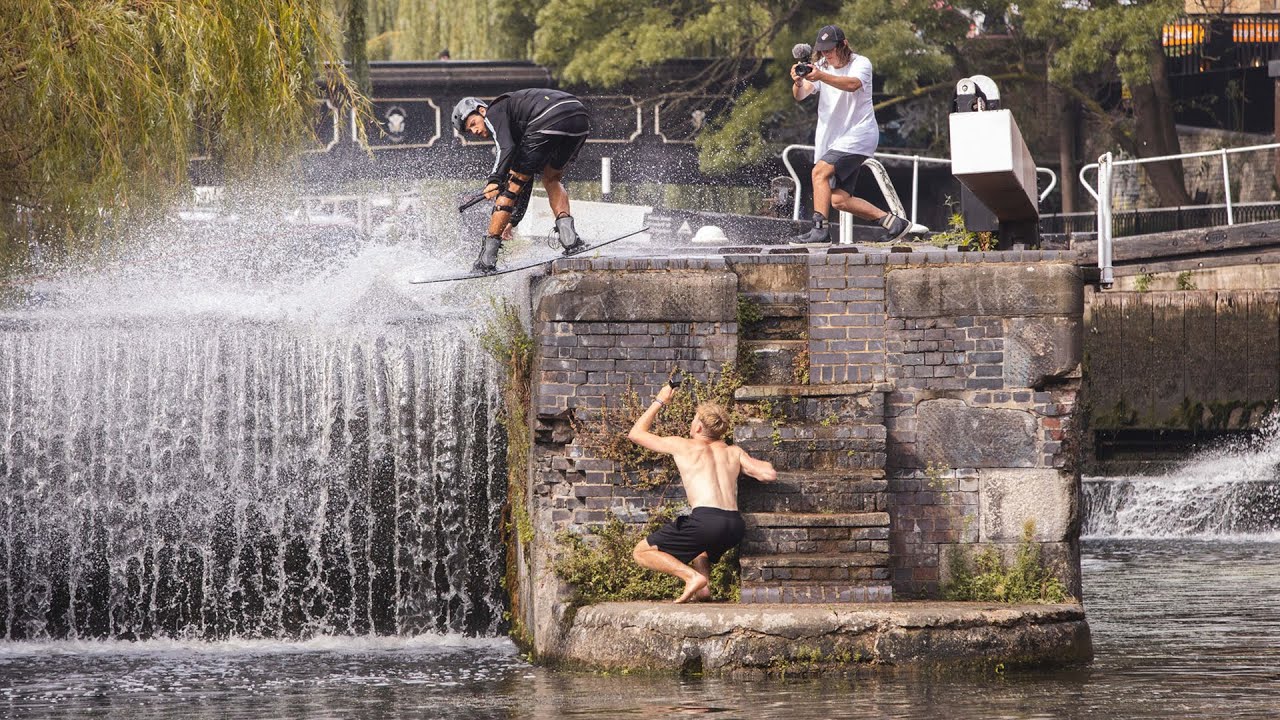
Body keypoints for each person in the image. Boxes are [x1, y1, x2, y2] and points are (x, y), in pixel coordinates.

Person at [627, 382, 777, 603]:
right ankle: (704, 589)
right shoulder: (733, 452)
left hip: (706, 520)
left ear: (698, 427)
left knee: (641, 552)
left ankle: (691, 577)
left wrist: (660, 400)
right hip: (734, 526)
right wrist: (744, 464)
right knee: (700, 549)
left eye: (694, 419)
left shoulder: (683, 445)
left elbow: (636, 433)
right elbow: (768, 474)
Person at [788, 25, 910, 245]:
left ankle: (820, 231)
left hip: (859, 135)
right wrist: (798, 82)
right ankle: (893, 223)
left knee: (819, 173)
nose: (827, 54)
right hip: (833, 140)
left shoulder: (860, 63)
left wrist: (821, 75)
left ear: (843, 45)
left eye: (830, 49)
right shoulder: (821, 66)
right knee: (838, 200)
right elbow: (801, 95)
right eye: (823, 50)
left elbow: (852, 84)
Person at [451, 90, 590, 273]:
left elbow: (506, 148)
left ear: (481, 111)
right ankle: (570, 240)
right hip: (579, 118)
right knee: (551, 178)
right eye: (469, 131)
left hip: (548, 118)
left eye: (473, 123)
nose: (474, 131)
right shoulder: (515, 123)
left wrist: (494, 180)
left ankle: (486, 260)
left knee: (509, 188)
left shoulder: (493, 111)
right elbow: (526, 177)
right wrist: (514, 220)